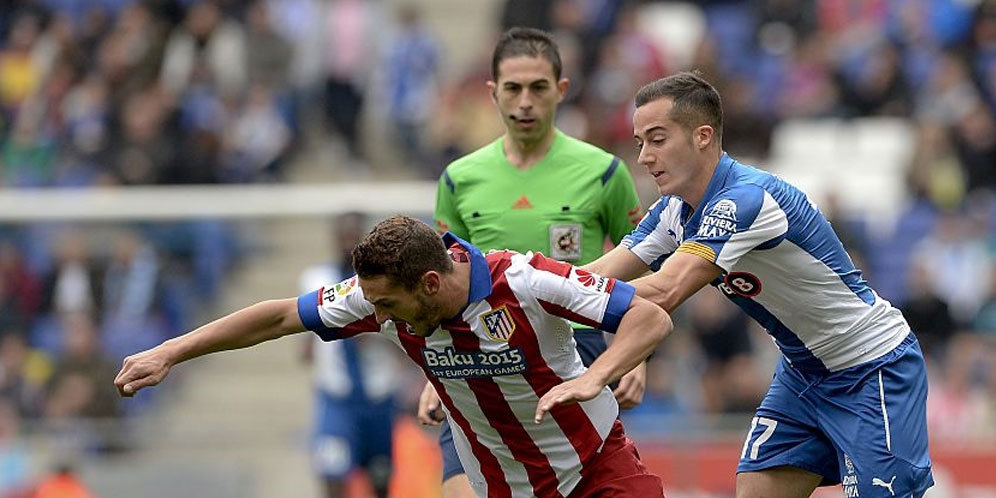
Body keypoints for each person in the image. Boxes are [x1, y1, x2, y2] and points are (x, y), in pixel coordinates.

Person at [548, 72, 934, 498]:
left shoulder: (746, 199)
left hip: (872, 367)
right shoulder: (672, 212)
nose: (643, 156)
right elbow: (594, 275)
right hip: (803, 373)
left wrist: (549, 295)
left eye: (657, 139)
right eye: (639, 142)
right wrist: (523, 282)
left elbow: (665, 290)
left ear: (702, 136)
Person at [114, 215, 671, 498]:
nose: (377, 316)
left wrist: (593, 377)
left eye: (388, 304)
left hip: (598, 470)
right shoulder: (380, 301)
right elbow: (281, 316)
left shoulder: (526, 281)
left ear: (430, 282)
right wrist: (171, 352)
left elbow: (650, 317)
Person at [429, 26, 646, 498]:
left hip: (574, 348)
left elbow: (644, 262)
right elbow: (440, 283)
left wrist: (636, 356)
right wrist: (433, 372)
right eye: (513, 88)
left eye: (538, 88)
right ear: (493, 93)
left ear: (561, 91)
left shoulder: (604, 172)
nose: (525, 101)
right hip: (477, 354)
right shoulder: (459, 178)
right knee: (460, 487)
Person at [298, 212, 399, 498]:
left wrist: (373, 333)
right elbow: (306, 343)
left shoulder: (384, 285)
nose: (347, 244)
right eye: (342, 236)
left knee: (380, 479)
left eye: (353, 238)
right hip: (337, 399)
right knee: (332, 475)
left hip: (378, 398)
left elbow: (407, 343)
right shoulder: (316, 280)